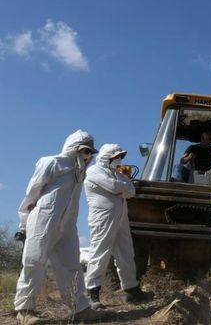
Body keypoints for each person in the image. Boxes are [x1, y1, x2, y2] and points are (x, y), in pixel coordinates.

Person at [14, 130, 104, 325]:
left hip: (67, 224)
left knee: (72, 265)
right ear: (73, 148)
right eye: (84, 150)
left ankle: (80, 309)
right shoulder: (51, 162)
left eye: (90, 152)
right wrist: (24, 224)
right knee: (34, 262)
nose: (87, 156)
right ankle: (25, 310)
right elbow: (32, 193)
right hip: (43, 219)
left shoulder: (80, 172)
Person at [84, 144, 154, 309]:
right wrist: (124, 182)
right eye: (116, 157)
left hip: (121, 217)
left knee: (126, 253)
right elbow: (115, 187)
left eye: (120, 157)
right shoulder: (94, 171)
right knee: (100, 253)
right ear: (107, 157)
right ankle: (92, 294)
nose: (119, 160)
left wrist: (124, 181)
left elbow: (131, 192)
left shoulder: (117, 173)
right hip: (102, 217)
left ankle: (131, 290)